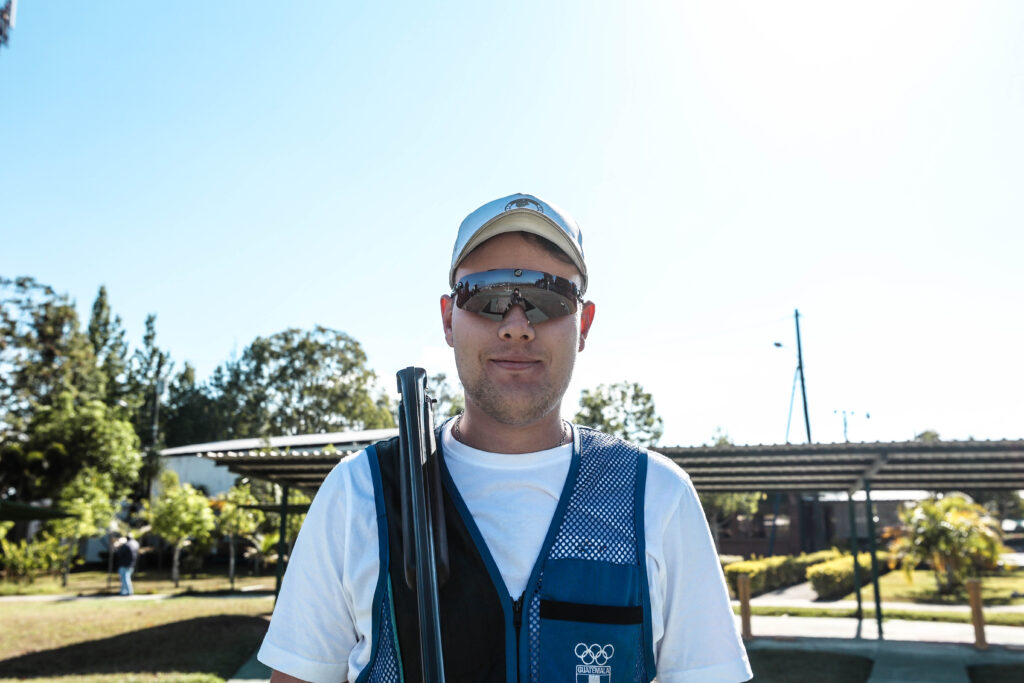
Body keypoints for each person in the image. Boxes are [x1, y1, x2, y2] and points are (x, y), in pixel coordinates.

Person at [258, 193, 752, 682]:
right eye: (488, 297)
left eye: (549, 297)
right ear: (449, 317)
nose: (517, 327)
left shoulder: (656, 494)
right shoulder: (359, 491)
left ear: (583, 323)